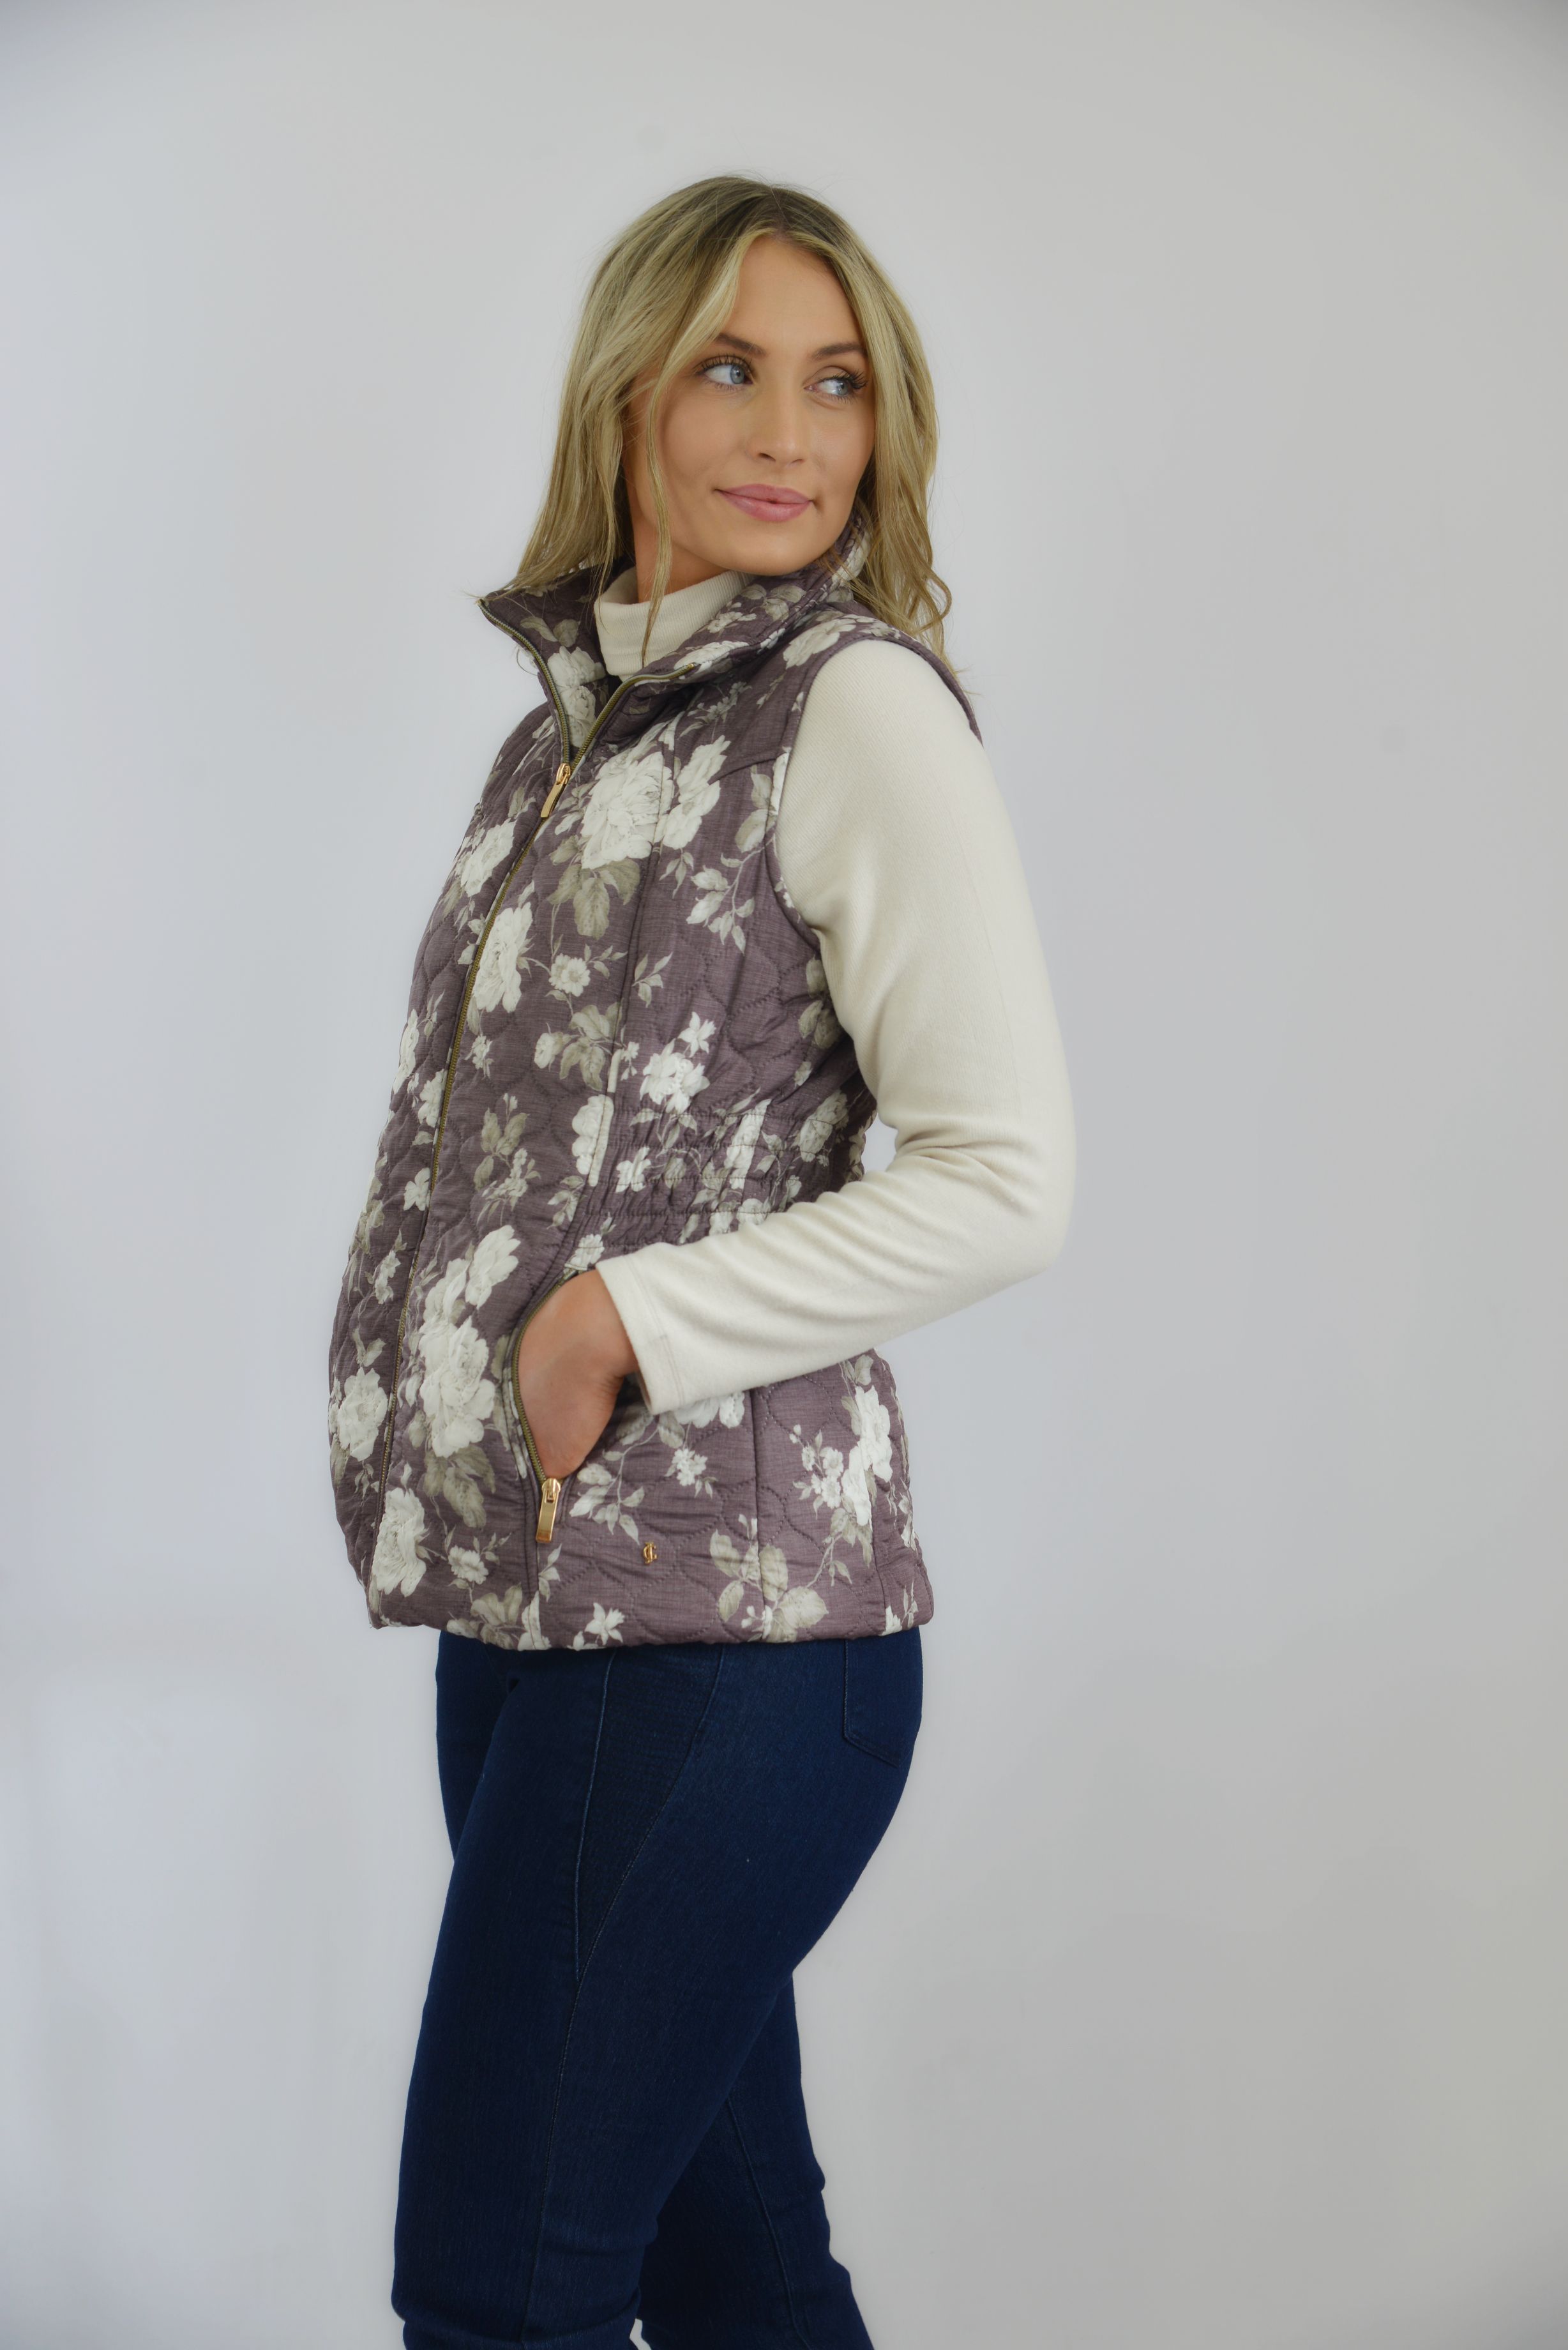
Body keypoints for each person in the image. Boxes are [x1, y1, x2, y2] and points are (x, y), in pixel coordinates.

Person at [326, 174, 1076, 2350]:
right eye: (732, 368)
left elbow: (1007, 1174)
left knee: (499, 2294)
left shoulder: (857, 707)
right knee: (737, 2278)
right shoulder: (565, 744)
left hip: (729, 1640)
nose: (788, 431)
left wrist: (621, 1319)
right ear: (625, 397)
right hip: (533, 1609)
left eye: (839, 383)